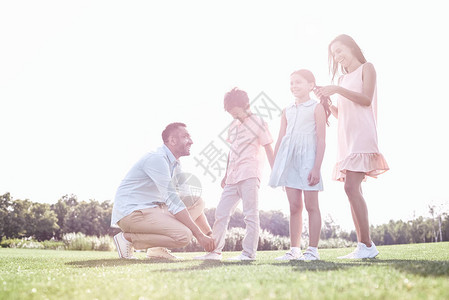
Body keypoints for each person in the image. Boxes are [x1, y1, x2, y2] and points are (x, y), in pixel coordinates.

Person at [315, 34, 389, 259]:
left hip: (362, 135)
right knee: (352, 189)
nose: (337, 57)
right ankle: (363, 246)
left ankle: (366, 245)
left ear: (351, 47)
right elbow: (343, 112)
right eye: (334, 54)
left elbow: (366, 100)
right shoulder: (341, 80)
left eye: (339, 51)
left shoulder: (368, 68)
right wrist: (329, 103)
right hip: (347, 139)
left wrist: (336, 91)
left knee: (351, 188)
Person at [111, 122, 215, 260]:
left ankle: (156, 250)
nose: (191, 141)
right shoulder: (157, 159)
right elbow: (173, 201)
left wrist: (210, 234)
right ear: (172, 140)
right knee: (184, 236)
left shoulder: (175, 163)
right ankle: (127, 238)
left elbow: (187, 198)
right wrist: (200, 236)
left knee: (197, 201)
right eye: (186, 137)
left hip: (153, 210)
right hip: (132, 214)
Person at [194, 88, 274, 261]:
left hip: (250, 174)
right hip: (232, 176)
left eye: (236, 112)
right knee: (221, 212)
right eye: (231, 114)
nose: (234, 116)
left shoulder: (259, 122)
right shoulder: (233, 126)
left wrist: (275, 171)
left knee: (250, 215)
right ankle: (215, 252)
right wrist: (224, 174)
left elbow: (268, 146)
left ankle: (248, 254)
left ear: (245, 105)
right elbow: (232, 152)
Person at [269, 69, 330, 261]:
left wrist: (317, 167)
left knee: (312, 205)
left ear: (311, 85)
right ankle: (294, 250)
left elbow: (321, 139)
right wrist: (277, 167)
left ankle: (312, 250)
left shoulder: (316, 107)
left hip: (309, 160)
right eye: (292, 83)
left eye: (298, 82)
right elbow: (281, 138)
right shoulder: (286, 110)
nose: (294, 86)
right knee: (294, 206)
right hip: (289, 161)